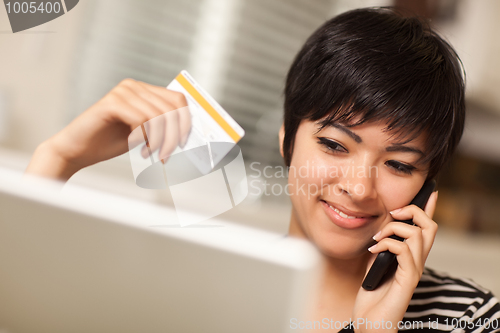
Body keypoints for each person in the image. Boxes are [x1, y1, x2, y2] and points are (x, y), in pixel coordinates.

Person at [26, 7, 500, 333]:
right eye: (335, 145)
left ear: (426, 185)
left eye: (398, 164)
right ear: (286, 138)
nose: (357, 188)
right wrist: (57, 159)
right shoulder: (198, 290)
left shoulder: (474, 318)